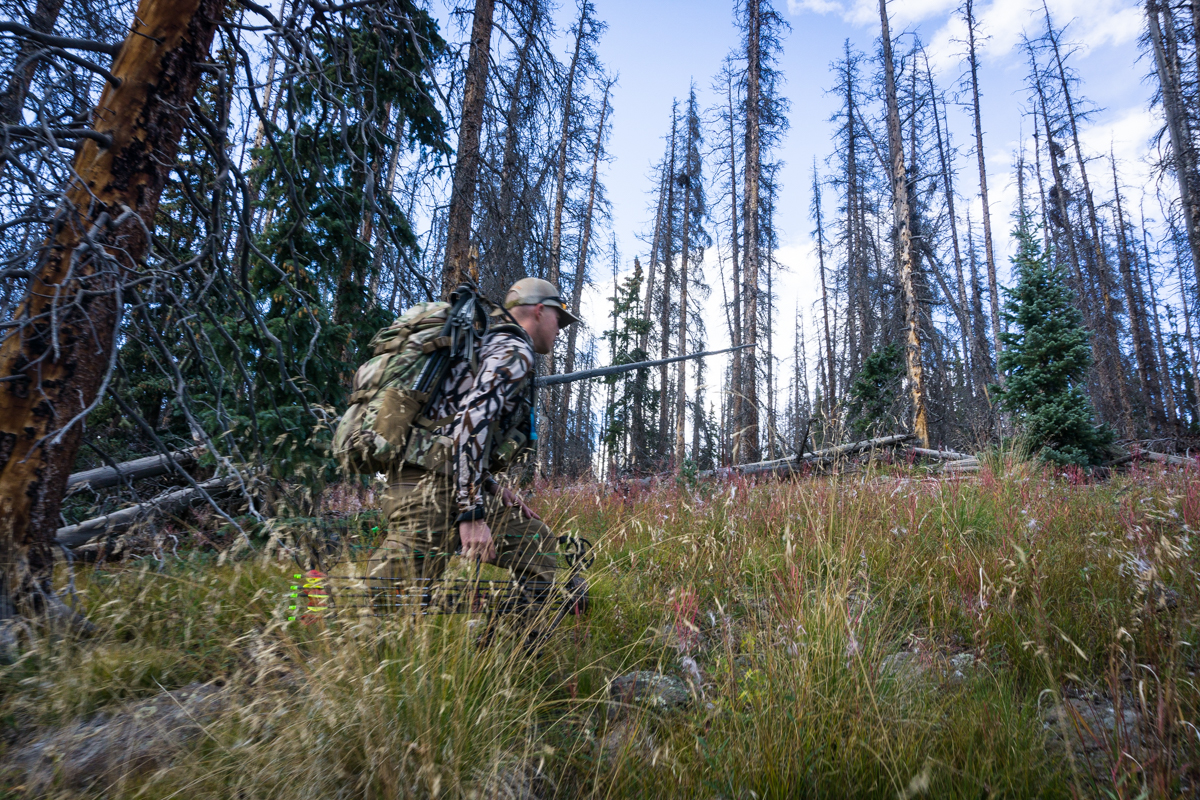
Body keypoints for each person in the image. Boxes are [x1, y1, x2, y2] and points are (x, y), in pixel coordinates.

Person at [367, 277, 580, 621]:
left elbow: (454, 420)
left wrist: (489, 486)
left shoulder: (490, 343)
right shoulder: (514, 348)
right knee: (390, 602)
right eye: (559, 319)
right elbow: (471, 420)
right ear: (540, 311)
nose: (560, 330)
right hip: (429, 486)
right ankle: (311, 624)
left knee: (535, 543)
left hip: (453, 480)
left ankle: (506, 659)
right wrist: (471, 515)